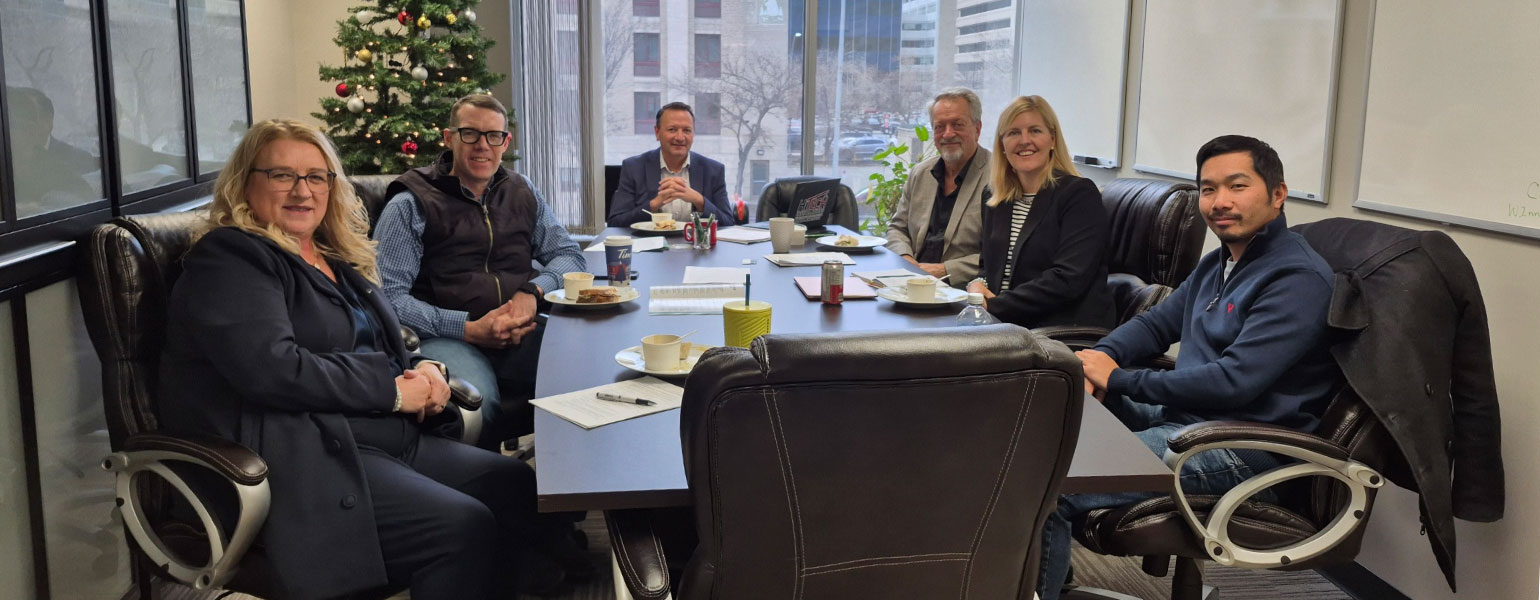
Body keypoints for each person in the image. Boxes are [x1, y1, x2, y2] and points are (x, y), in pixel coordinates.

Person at [157, 119, 563, 598]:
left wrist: (426, 368)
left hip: (378, 431)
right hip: (311, 450)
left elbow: (380, 339)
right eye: (282, 175)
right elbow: (275, 370)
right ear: (247, 182)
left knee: (512, 482)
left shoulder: (329, 255)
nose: (301, 190)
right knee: (459, 526)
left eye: (316, 176)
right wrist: (391, 391)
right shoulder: (231, 259)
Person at [1035, 135, 1340, 600]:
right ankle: (1042, 576)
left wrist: (1116, 378)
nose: (1220, 202)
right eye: (1208, 189)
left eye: (1237, 186)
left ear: (1278, 194)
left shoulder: (1296, 278)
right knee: (1036, 424)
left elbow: (1232, 383)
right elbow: (1157, 323)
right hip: (1190, 419)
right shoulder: (1222, 261)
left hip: (1241, 444)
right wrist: (1097, 360)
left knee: (1046, 486)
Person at [373, 94, 586, 450]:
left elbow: (568, 255)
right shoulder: (411, 203)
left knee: (592, 375)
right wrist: (469, 329)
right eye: (470, 134)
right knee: (474, 405)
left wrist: (530, 294)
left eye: (493, 136)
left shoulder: (520, 191)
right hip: (446, 338)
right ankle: (487, 495)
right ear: (448, 137)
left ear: (506, 141)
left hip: (520, 328)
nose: (482, 146)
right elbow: (388, 298)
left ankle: (569, 493)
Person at [965, 95, 1114, 329]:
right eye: (1013, 133)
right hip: (1002, 322)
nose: (1024, 141)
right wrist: (977, 285)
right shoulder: (995, 197)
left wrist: (994, 306)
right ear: (1002, 144)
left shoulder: (1079, 195)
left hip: (1058, 329)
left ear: (1052, 140)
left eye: (1035, 131)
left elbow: (1067, 280)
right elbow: (988, 267)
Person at [884, 87, 991, 287]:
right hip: (912, 284)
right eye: (939, 126)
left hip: (964, 292)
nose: (948, 134)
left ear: (977, 129)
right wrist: (906, 259)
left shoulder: (998, 177)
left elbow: (1000, 254)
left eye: (958, 124)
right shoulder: (920, 173)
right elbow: (897, 228)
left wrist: (944, 270)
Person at [606, 101, 737, 226]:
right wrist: (654, 204)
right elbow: (616, 222)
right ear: (657, 132)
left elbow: (728, 223)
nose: (680, 137)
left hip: (696, 247)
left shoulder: (713, 170)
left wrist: (699, 200)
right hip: (650, 248)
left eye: (687, 130)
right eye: (672, 129)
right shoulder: (633, 168)